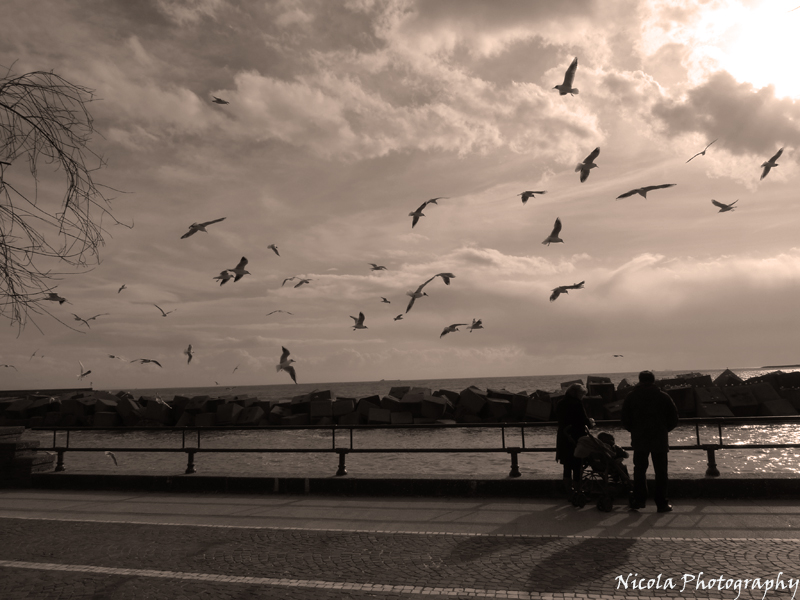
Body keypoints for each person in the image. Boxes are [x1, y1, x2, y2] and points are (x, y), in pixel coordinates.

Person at [621, 370, 679, 513]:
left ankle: (639, 500)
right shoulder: (663, 396)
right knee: (661, 471)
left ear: (640, 380)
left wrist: (634, 430)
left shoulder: (631, 396)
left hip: (640, 439)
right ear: (653, 380)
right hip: (659, 439)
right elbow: (674, 418)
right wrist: (664, 430)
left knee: (639, 470)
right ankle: (661, 503)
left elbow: (624, 419)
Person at [555, 383, 594, 502]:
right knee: (577, 464)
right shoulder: (577, 404)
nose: (582, 396)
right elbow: (583, 420)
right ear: (576, 393)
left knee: (567, 465)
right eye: (582, 394)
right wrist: (590, 422)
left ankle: (569, 492)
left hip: (563, 436)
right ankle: (578, 491)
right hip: (576, 437)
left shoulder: (560, 403)